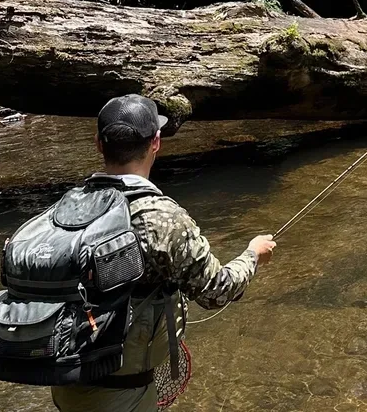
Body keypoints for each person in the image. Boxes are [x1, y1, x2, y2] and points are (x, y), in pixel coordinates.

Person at [51, 94, 276, 412]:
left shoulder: (67, 207)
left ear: (99, 144)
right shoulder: (163, 218)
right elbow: (216, 291)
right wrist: (252, 255)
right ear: (156, 141)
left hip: (65, 385)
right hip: (121, 396)